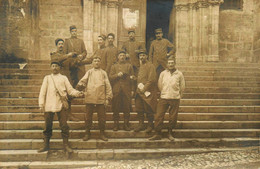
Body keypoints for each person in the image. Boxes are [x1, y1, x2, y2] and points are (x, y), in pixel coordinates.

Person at [38, 61, 84, 153]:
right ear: (51, 68)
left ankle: (66, 145)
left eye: (56, 66)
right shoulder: (47, 78)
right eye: (53, 66)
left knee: (64, 126)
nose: (55, 68)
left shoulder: (63, 78)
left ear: (60, 68)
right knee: (47, 126)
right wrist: (41, 104)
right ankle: (46, 145)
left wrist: (78, 93)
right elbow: (42, 92)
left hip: (61, 104)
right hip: (49, 105)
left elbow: (70, 90)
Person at [76, 56, 113, 141]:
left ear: (100, 63)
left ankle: (102, 133)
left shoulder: (103, 73)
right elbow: (83, 81)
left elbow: (108, 85)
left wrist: (108, 97)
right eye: (95, 61)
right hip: (90, 97)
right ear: (92, 63)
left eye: (98, 61)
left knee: (102, 118)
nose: (96, 62)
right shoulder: (89, 72)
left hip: (101, 98)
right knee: (88, 117)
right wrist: (80, 86)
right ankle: (87, 133)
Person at [149, 57, 185, 141]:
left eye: (172, 63)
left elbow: (182, 87)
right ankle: (158, 133)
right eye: (169, 63)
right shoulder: (163, 73)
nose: (171, 64)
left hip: (175, 98)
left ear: (175, 64)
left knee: (173, 117)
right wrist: (164, 92)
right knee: (159, 115)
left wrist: (178, 95)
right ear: (167, 64)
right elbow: (160, 85)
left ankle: (170, 133)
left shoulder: (179, 74)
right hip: (164, 97)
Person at [109, 50, 135, 131]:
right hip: (116, 90)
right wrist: (117, 75)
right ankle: (116, 125)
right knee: (115, 108)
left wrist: (133, 90)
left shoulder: (129, 66)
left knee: (127, 108)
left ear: (125, 57)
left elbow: (133, 78)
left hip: (126, 90)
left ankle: (126, 124)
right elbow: (110, 77)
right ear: (118, 57)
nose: (122, 57)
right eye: (120, 55)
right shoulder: (114, 66)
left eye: (123, 55)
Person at [134, 49, 157, 133]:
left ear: (147, 56)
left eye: (143, 55)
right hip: (139, 92)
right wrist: (135, 78)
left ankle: (150, 125)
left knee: (148, 109)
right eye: (140, 56)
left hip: (148, 92)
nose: (142, 57)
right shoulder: (140, 67)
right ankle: (141, 125)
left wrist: (144, 89)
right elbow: (141, 78)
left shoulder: (151, 66)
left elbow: (151, 80)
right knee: (139, 109)